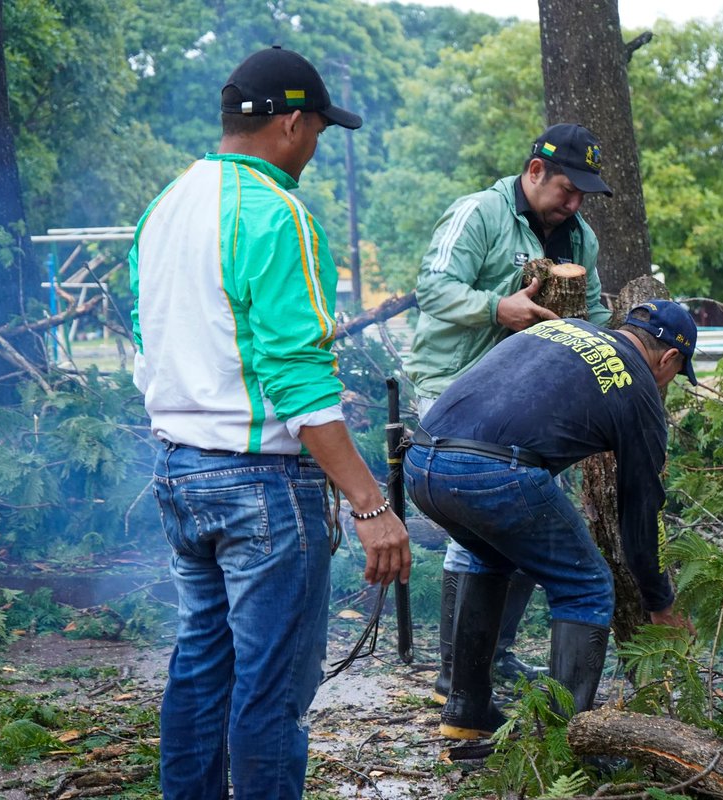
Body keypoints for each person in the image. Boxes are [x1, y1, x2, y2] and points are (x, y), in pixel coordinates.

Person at [130, 46, 411, 799]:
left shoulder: (166, 205)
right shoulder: (276, 212)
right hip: (259, 486)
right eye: (317, 129)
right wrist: (370, 503)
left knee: (199, 666)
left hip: (180, 471)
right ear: (289, 123)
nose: (316, 148)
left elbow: (142, 345)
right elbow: (297, 380)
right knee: (270, 691)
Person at [404, 299, 698, 739]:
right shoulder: (639, 389)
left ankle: (466, 712)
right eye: (677, 373)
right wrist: (660, 603)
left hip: (420, 461)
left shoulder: (565, 329)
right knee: (586, 585)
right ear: (671, 357)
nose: (669, 382)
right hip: (490, 473)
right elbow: (639, 515)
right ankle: (562, 741)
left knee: (491, 559)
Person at [405, 123, 614, 698]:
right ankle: (457, 673)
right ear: (535, 171)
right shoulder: (478, 214)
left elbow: (592, 311)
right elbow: (434, 288)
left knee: (522, 527)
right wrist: (500, 308)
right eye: (568, 190)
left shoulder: (580, 240)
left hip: (527, 405)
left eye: (583, 195)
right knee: (477, 530)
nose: (574, 204)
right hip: (453, 390)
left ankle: (490, 659)